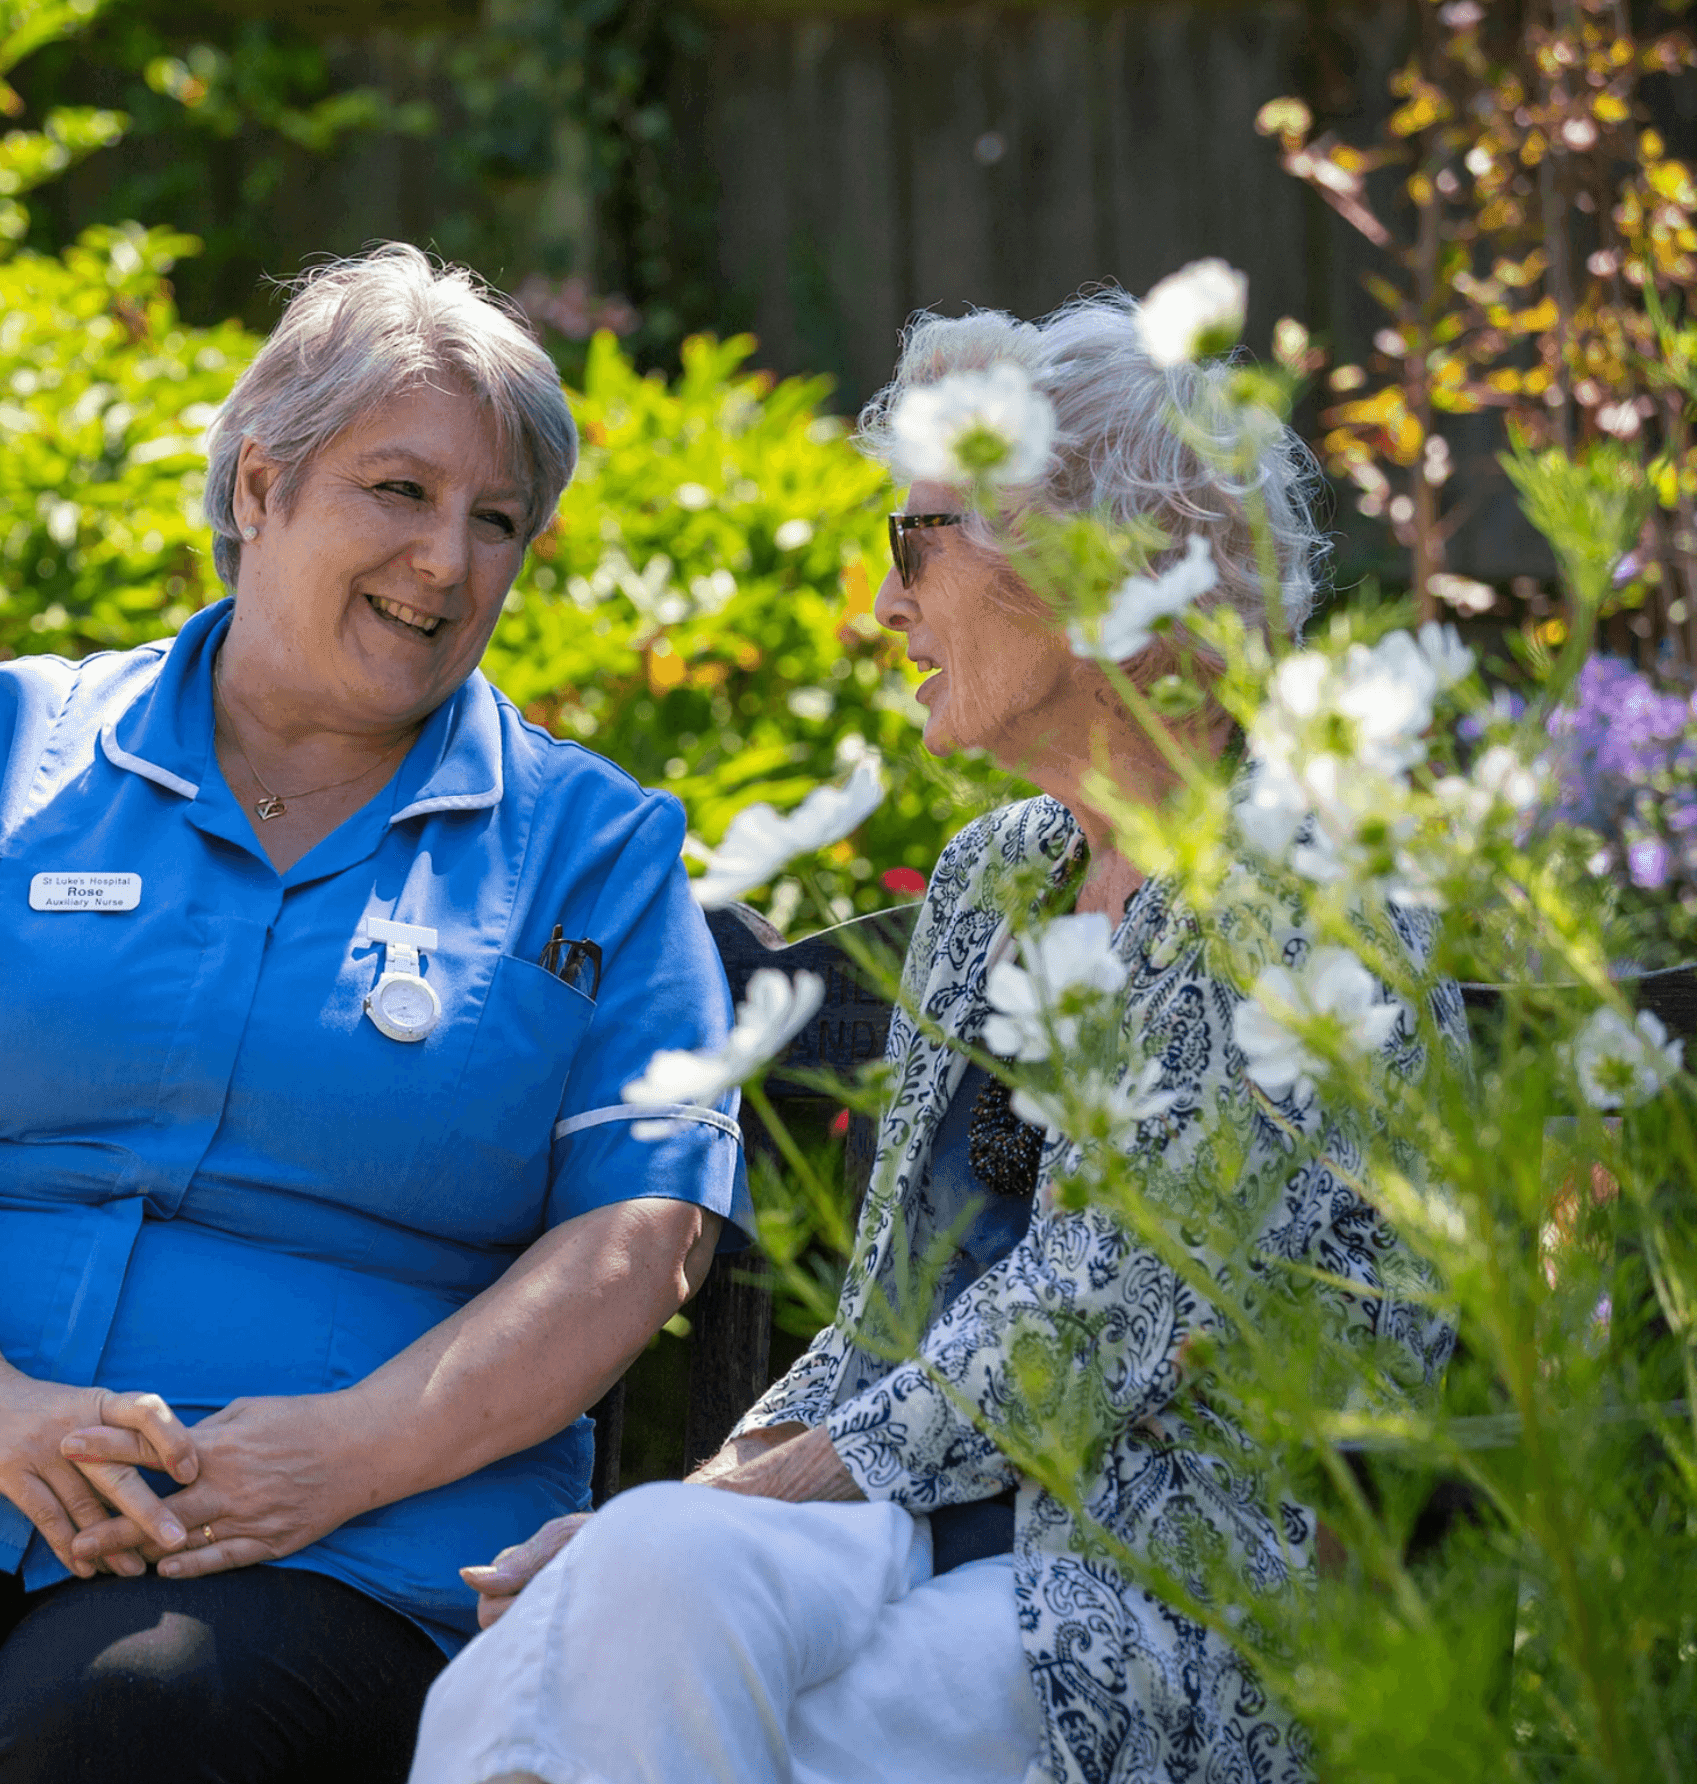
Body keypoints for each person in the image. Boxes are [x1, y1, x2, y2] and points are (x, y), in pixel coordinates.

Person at [0, 244, 750, 1784]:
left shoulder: (590, 849)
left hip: (330, 1542)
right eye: (397, 493)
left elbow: (638, 1233)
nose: (447, 565)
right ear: (258, 485)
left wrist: (345, 1454)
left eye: (496, 525)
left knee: (118, 1736)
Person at [409, 294, 1455, 1784]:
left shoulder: (1306, 895)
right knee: (563, 1638)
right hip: (922, 1516)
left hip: (1158, 1587)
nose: (883, 605)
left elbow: (1092, 1328)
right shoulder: (998, 880)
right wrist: (701, 1501)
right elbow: (890, 1313)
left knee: (651, 1673)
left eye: (919, 541)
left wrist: (733, 1509)